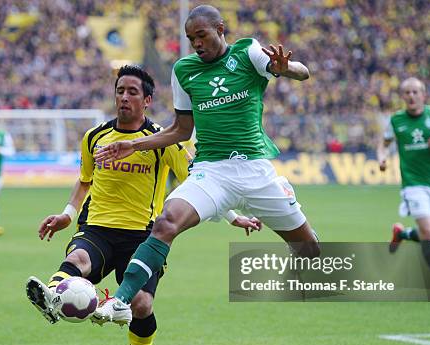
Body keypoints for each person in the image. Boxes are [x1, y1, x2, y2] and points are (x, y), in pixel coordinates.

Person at [25, 65, 260, 345]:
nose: (124, 97)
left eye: (132, 92)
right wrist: (67, 213)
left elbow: (199, 182)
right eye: (120, 90)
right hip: (98, 228)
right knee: (77, 259)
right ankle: (51, 296)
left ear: (147, 100)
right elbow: (85, 180)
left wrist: (233, 217)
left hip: (143, 237)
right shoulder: (95, 137)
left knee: (141, 304)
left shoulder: (164, 141)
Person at [92, 5, 319, 325]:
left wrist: (285, 68)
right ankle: (120, 300)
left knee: (312, 253)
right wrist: (132, 143)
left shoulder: (247, 52)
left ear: (220, 29)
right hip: (211, 171)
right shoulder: (185, 70)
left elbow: (303, 72)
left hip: (255, 169)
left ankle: (282, 189)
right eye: (190, 38)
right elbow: (180, 130)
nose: (196, 43)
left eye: (202, 35)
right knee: (166, 222)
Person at [377, 77, 430, 300]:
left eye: (416, 92)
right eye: (407, 92)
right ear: (403, 97)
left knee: (429, 234)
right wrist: (382, 158)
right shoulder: (396, 120)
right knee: (427, 233)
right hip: (413, 185)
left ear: (424, 95)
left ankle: (402, 233)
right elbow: (384, 143)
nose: (411, 96)